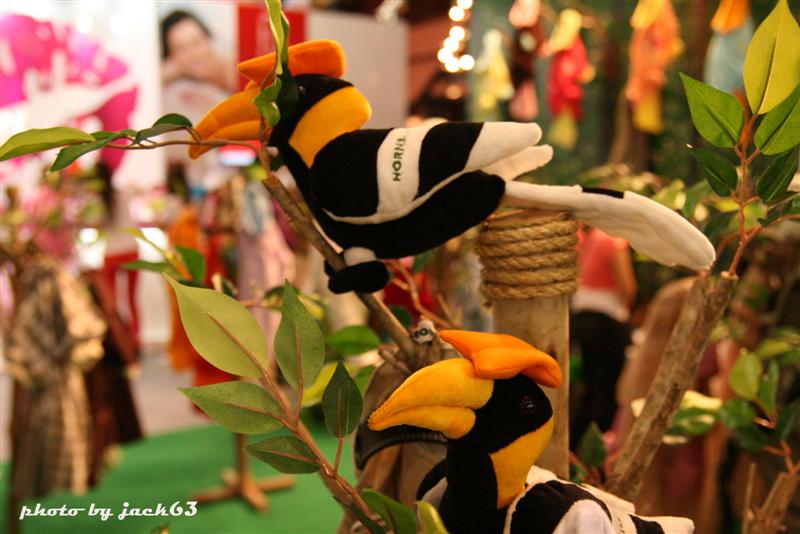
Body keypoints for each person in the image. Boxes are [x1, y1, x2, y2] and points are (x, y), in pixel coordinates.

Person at [570, 226, 637, 449]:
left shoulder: (586, 239)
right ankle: (595, 450)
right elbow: (627, 287)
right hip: (607, 319)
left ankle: (575, 446)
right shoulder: (612, 239)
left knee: (590, 389)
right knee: (606, 391)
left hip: (582, 316)